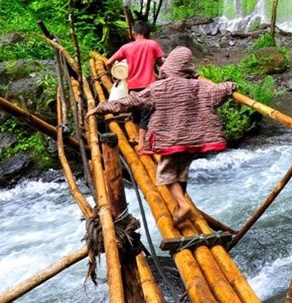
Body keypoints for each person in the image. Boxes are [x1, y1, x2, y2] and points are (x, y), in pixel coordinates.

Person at [89, 46, 236, 225]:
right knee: (181, 173)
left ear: (169, 66)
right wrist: (230, 86)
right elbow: (220, 91)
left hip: (171, 140)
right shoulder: (201, 86)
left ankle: (183, 205)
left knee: (165, 173)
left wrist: (100, 108)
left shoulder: (158, 88)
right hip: (194, 140)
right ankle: (178, 206)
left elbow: (130, 101)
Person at [106, 20, 164, 153]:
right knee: (146, 114)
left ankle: (138, 138)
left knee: (136, 113)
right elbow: (161, 63)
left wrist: (115, 75)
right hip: (149, 86)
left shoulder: (126, 48)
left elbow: (109, 62)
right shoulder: (153, 44)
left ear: (133, 33)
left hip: (132, 86)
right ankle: (142, 143)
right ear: (149, 33)